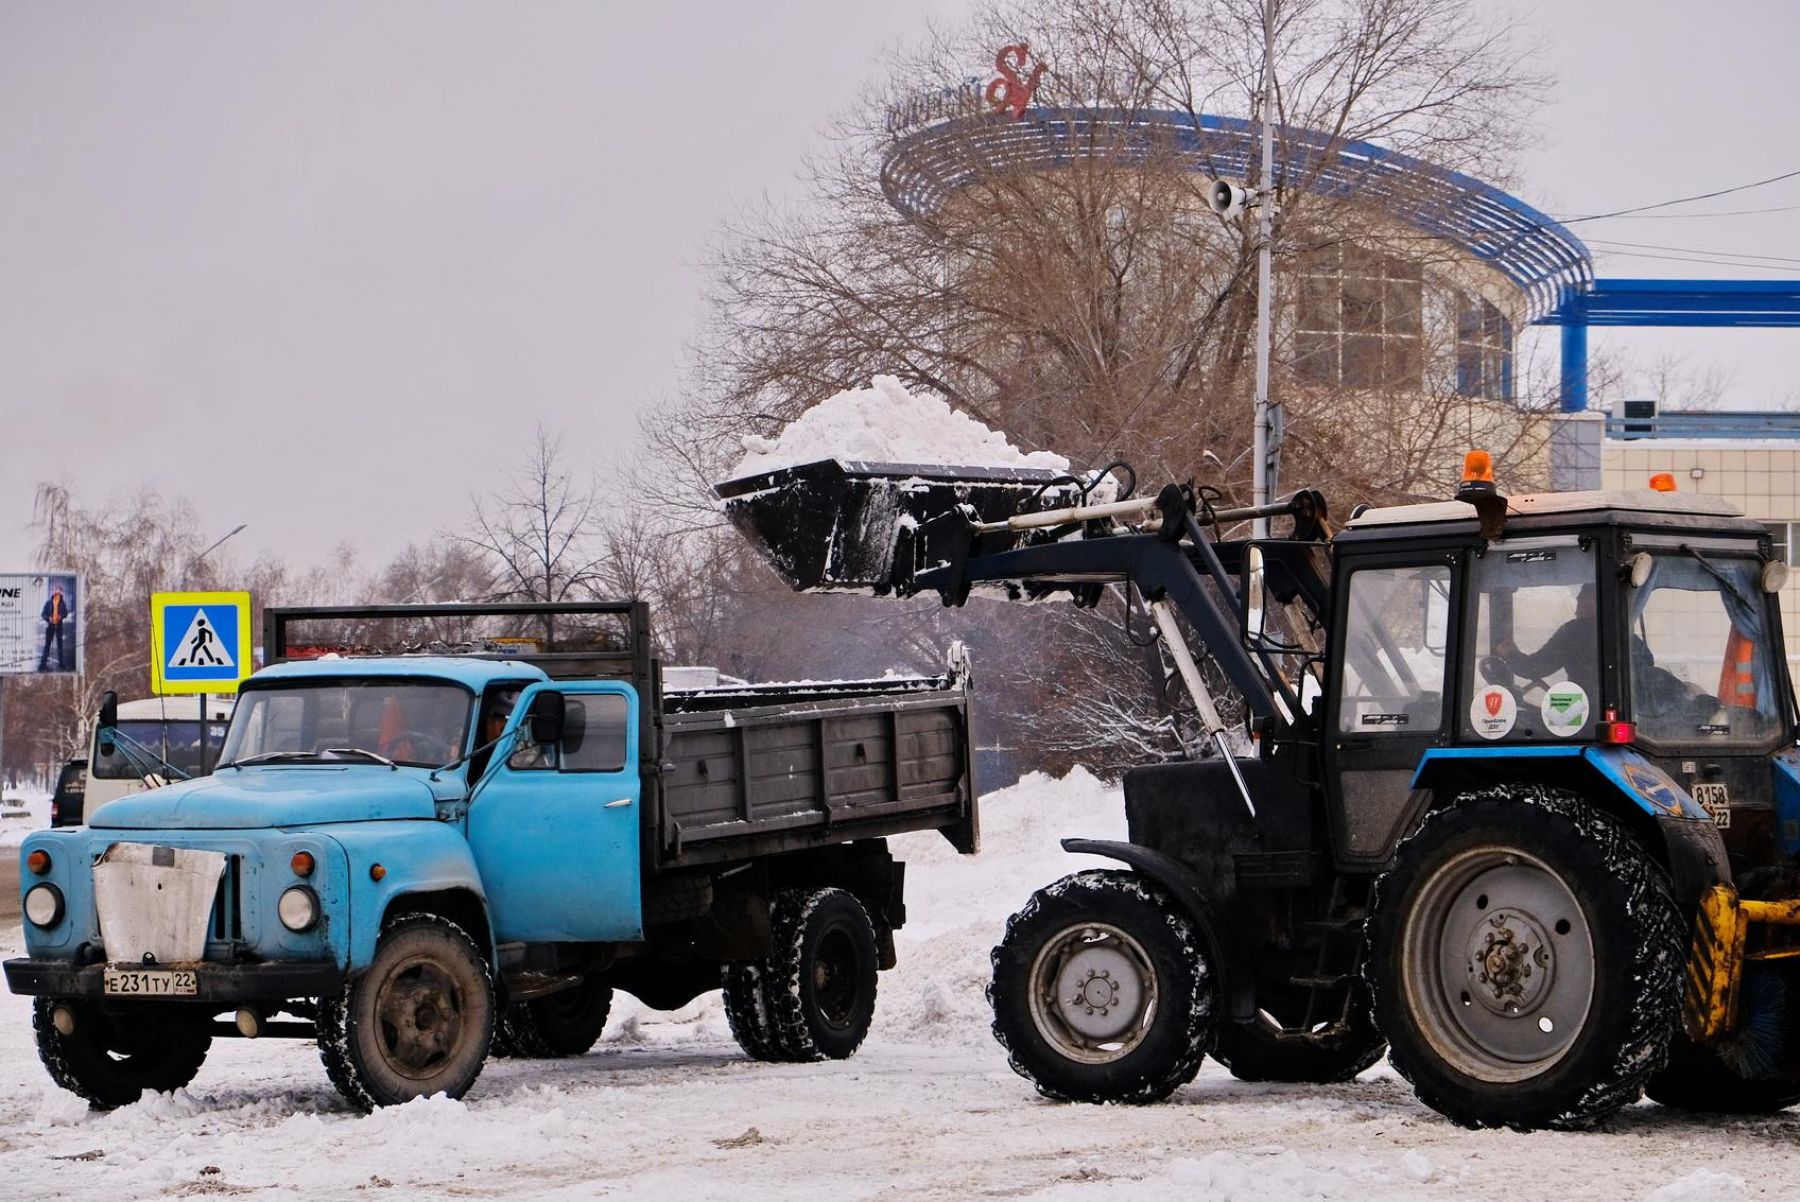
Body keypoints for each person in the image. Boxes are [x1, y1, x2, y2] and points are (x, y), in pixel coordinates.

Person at [38, 584, 71, 672]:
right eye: (55, 590)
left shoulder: (62, 603)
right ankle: (43, 664)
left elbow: (65, 613)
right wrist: (48, 618)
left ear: (61, 592)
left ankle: (61, 664)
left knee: (60, 645)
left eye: (58, 591)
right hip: (50, 625)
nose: (57, 592)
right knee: (47, 644)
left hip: (59, 625)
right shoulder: (49, 602)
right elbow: (43, 614)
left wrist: (60, 616)